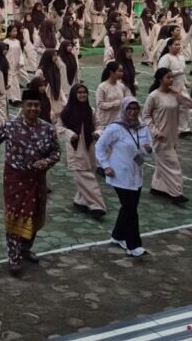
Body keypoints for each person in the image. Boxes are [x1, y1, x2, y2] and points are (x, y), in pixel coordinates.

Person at [0, 89, 60, 276]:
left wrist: (46, 162)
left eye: (36, 105)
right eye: (29, 105)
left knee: (35, 215)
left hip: (37, 179)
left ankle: (25, 248)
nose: (33, 109)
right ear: (22, 106)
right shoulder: (11, 125)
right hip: (15, 179)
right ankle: (14, 258)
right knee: (16, 216)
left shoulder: (47, 128)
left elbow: (56, 152)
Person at [95, 97, 154, 257]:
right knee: (130, 209)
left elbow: (147, 150)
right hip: (119, 174)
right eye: (129, 108)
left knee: (129, 207)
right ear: (123, 110)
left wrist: (148, 150)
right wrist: (106, 166)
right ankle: (133, 245)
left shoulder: (142, 128)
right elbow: (99, 147)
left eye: (135, 109)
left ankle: (118, 235)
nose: (133, 112)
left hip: (137, 174)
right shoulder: (115, 128)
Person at [142, 67, 192, 204]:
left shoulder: (174, 95)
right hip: (161, 137)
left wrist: (179, 94)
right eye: (168, 77)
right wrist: (155, 132)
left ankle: (157, 187)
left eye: (172, 77)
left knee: (163, 164)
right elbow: (146, 116)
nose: (171, 79)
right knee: (173, 165)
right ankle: (176, 193)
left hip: (173, 136)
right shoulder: (154, 96)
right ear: (160, 79)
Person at [58, 84, 106, 218]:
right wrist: (70, 134)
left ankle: (80, 200)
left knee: (88, 172)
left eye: (84, 92)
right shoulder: (66, 112)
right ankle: (97, 205)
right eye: (79, 92)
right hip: (75, 149)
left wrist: (97, 132)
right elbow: (59, 128)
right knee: (86, 177)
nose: (82, 95)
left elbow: (99, 125)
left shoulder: (90, 110)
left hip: (89, 148)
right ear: (74, 95)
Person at [95, 61, 133, 130]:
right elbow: (99, 104)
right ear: (112, 72)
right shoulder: (102, 87)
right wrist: (114, 104)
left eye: (122, 71)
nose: (122, 73)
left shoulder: (121, 86)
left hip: (118, 121)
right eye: (119, 71)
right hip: (105, 122)